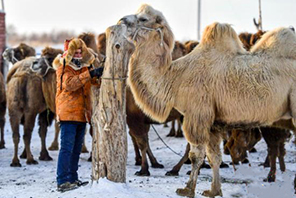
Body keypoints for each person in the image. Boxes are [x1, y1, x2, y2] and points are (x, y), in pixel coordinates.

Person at [54, 38, 104, 192]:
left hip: (82, 114)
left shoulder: (83, 68)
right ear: (68, 52)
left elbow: (94, 83)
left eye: (80, 51)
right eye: (75, 51)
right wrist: (90, 73)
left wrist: (99, 72)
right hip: (68, 114)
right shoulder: (63, 68)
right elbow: (70, 85)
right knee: (66, 148)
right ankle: (62, 180)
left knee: (76, 149)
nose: (78, 53)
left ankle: (72, 178)